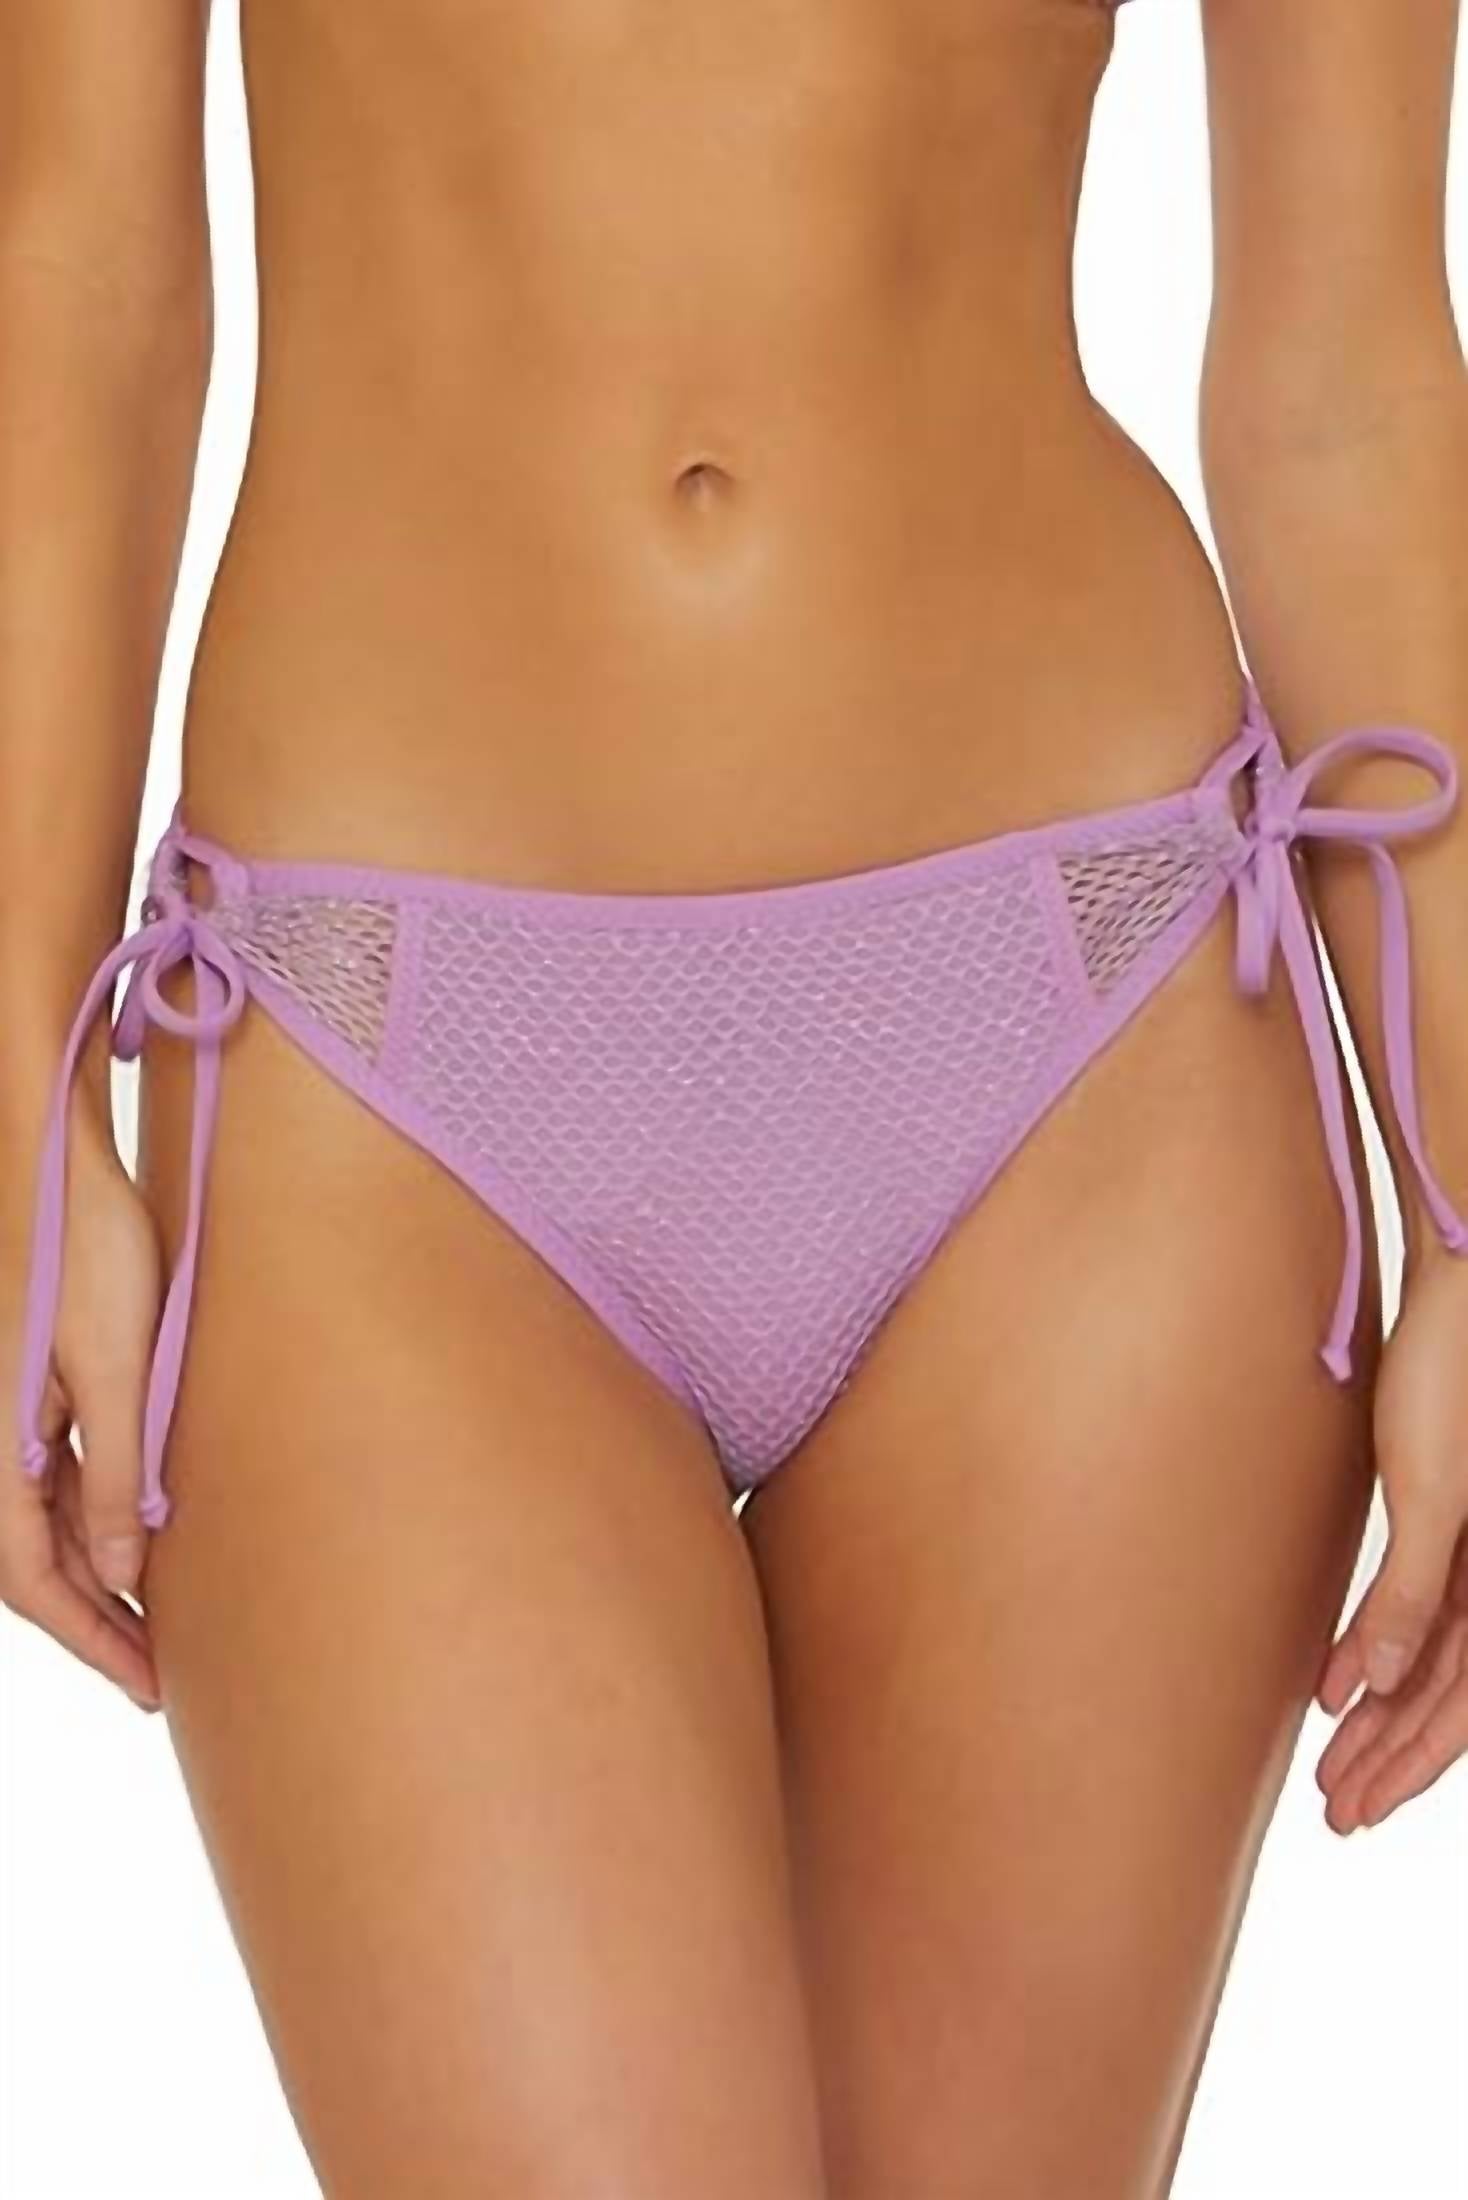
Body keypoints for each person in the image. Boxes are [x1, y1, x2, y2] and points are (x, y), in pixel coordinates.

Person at [2, 2, 1465, 2192]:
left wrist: (1465, 1201)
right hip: (384, 1075)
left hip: (1085, 1042)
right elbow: (79, 272)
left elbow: (1344, 364)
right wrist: (14, 1093)